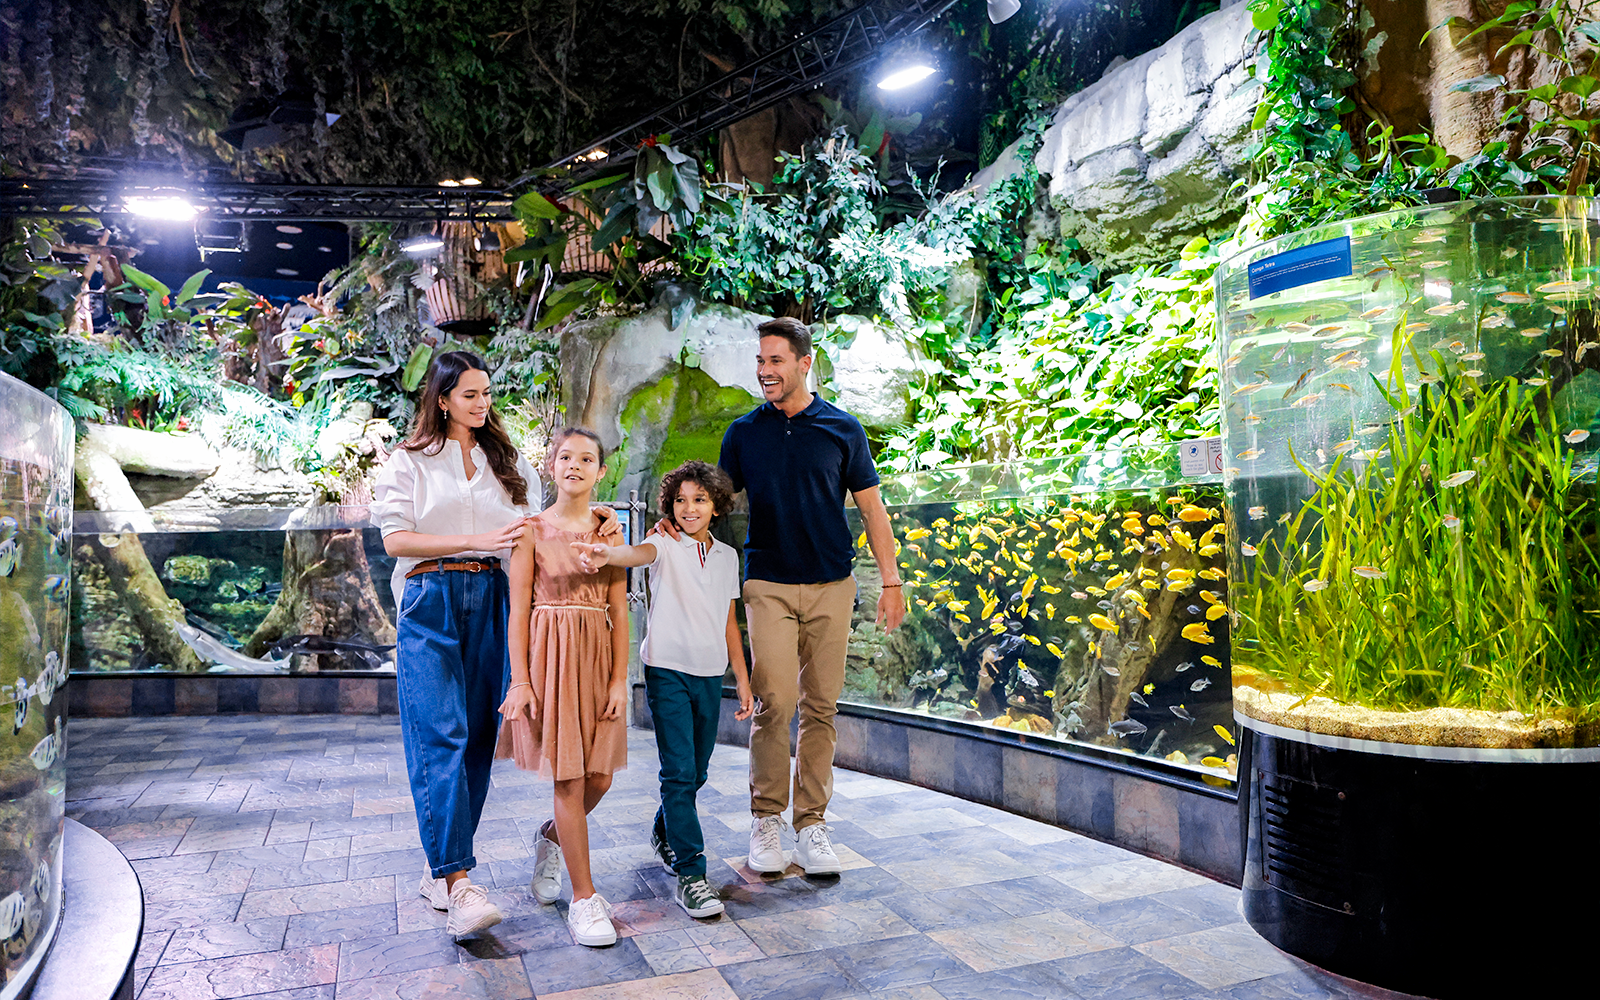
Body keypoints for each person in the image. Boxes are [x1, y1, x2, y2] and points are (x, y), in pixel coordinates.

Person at [370, 352, 616, 941]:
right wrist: (477, 538)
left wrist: (596, 518)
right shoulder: (408, 463)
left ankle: (443, 867)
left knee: (480, 737)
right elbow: (396, 540)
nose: (482, 404)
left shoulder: (509, 464)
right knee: (442, 734)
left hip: (496, 599)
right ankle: (458, 882)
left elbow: (544, 524)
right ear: (442, 398)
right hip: (430, 595)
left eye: (486, 394)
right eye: (471, 394)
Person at [660, 317, 906, 875]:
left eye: (775, 361)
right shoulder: (744, 433)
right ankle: (766, 818)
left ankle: (812, 824)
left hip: (831, 586)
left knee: (821, 707)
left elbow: (872, 510)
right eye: (760, 361)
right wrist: (669, 524)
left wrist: (891, 582)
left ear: (804, 363)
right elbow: (709, 501)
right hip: (766, 584)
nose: (765, 371)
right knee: (775, 703)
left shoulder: (844, 430)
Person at [572, 461, 755, 919]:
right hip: (666, 671)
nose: (689, 508)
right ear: (669, 506)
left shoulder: (728, 557)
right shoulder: (663, 542)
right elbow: (635, 555)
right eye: (680, 500)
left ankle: (665, 830)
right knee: (678, 774)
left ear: (716, 506)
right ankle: (692, 875)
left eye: (699, 500)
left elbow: (730, 623)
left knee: (696, 774)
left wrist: (743, 679)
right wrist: (606, 555)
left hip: (711, 674)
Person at [495, 427, 629, 947]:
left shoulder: (609, 534)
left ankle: (551, 839)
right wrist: (522, 679)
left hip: (597, 658)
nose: (575, 465)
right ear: (551, 466)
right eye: (565, 456)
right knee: (568, 781)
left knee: (601, 778)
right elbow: (518, 612)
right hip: (550, 660)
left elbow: (619, 609)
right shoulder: (529, 531)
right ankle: (584, 900)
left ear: (600, 471)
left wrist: (620, 680)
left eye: (587, 458)